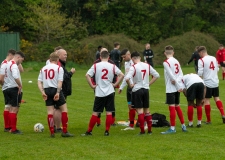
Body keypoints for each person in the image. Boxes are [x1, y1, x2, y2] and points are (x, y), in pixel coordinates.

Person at [81, 50, 124, 136]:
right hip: (110, 91)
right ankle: (107, 131)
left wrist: (92, 86)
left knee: (95, 112)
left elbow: (87, 75)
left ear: (100, 57)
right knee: (109, 112)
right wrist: (115, 84)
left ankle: (89, 131)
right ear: (109, 57)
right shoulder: (112, 66)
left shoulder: (96, 66)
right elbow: (122, 75)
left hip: (99, 92)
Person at [38, 52, 74, 137]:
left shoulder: (43, 69)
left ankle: (52, 132)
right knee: (64, 110)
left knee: (50, 112)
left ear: (49, 59)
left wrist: (42, 92)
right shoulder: (59, 68)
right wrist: (58, 93)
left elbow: (39, 82)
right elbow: (60, 82)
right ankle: (64, 131)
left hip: (47, 90)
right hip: (55, 89)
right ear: (57, 59)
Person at [125, 51, 159, 135]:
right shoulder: (147, 65)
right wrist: (148, 83)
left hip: (137, 90)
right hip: (145, 89)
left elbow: (127, 78)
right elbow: (157, 75)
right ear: (140, 57)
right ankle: (150, 130)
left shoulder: (134, 67)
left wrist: (131, 85)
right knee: (147, 110)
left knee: (140, 111)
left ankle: (142, 131)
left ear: (133, 59)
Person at [161, 45, 187, 134]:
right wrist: (178, 83)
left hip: (171, 88)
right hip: (177, 87)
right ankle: (183, 125)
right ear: (173, 53)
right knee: (177, 106)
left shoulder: (166, 62)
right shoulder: (176, 61)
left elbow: (171, 75)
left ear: (165, 53)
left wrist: (176, 83)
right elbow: (181, 74)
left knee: (172, 107)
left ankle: (172, 128)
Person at [197, 46, 225, 124]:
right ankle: (223, 114)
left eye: (199, 53)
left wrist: (200, 80)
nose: (199, 55)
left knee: (207, 100)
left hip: (207, 83)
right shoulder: (213, 58)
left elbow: (200, 73)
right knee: (217, 98)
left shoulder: (201, 60)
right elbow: (217, 69)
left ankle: (208, 120)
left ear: (201, 52)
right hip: (215, 81)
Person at [93, 48, 117, 126]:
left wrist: (114, 83)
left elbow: (115, 75)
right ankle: (98, 121)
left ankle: (112, 121)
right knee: (99, 107)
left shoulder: (110, 62)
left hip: (108, 87)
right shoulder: (97, 63)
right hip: (100, 87)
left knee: (110, 107)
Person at [52, 49, 76, 133]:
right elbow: (64, 77)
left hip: (57, 89)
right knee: (59, 109)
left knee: (55, 108)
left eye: (66, 54)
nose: (66, 56)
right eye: (64, 55)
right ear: (58, 56)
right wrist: (71, 73)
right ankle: (58, 127)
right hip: (61, 89)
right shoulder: (60, 65)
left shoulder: (58, 64)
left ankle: (54, 126)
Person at [2, 51, 25, 134]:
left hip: (7, 88)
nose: (21, 62)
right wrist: (19, 85)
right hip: (13, 88)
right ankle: (13, 129)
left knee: (10, 107)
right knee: (14, 108)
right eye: (21, 60)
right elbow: (15, 76)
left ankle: (9, 127)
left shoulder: (7, 64)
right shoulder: (14, 65)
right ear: (18, 57)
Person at [118, 49, 136, 130]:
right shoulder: (126, 63)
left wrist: (133, 85)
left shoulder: (134, 63)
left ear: (129, 55)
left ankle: (143, 123)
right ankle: (131, 123)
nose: (123, 59)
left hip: (134, 87)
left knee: (136, 106)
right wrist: (121, 87)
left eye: (124, 57)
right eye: (122, 57)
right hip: (129, 87)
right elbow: (126, 76)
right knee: (130, 105)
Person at [0, 49, 16, 132]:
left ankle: (8, 126)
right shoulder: (5, 64)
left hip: (6, 87)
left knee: (8, 106)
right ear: (10, 55)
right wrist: (2, 84)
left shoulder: (5, 63)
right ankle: (8, 126)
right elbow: (1, 77)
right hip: (8, 87)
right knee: (10, 107)